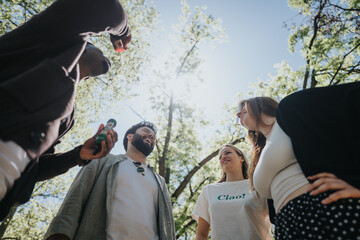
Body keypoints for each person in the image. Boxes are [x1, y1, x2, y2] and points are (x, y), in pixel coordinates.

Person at [0, 0, 131, 220]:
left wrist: (77, 155)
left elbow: (35, 170)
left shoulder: (67, 115)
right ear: (84, 44)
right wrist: (123, 32)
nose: (107, 57)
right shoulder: (46, 41)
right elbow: (102, 7)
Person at [237, 81, 360, 239]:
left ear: (259, 104)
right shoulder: (260, 154)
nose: (238, 114)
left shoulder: (291, 108)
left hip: (326, 209)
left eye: (243, 108)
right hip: (286, 226)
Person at [45, 121, 176, 240]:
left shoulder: (160, 181)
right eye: (146, 132)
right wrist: (59, 234)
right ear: (129, 136)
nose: (151, 136)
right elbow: (76, 198)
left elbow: (168, 226)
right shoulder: (102, 160)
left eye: (153, 136)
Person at [192, 144, 272, 240]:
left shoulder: (257, 185)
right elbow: (201, 235)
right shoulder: (209, 190)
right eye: (220, 157)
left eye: (228, 152)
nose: (223, 157)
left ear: (241, 158)